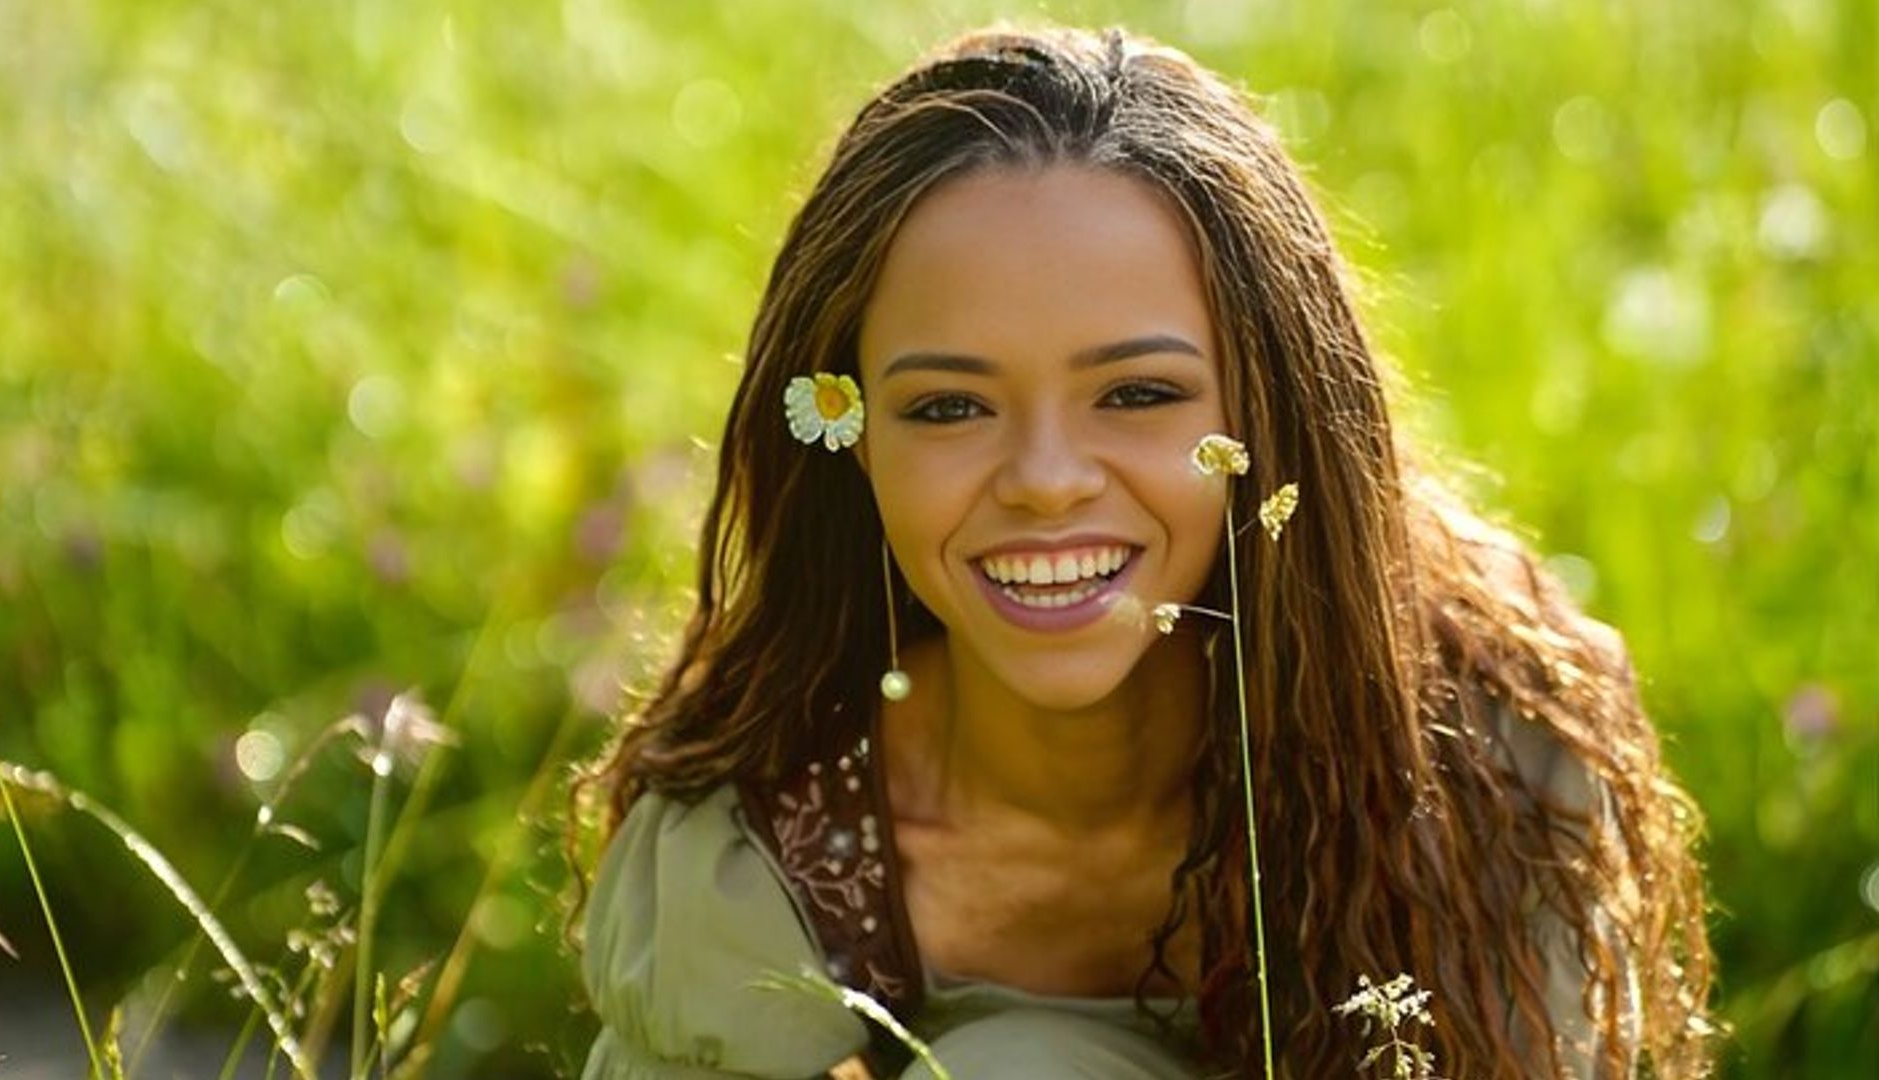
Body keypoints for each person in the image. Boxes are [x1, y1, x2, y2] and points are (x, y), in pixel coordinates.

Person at [576, 24, 1716, 1080]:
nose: (1046, 479)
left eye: (1137, 393)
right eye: (947, 409)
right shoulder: (769, 847)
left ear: (1276, 412)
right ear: (852, 437)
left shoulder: (1490, 751)